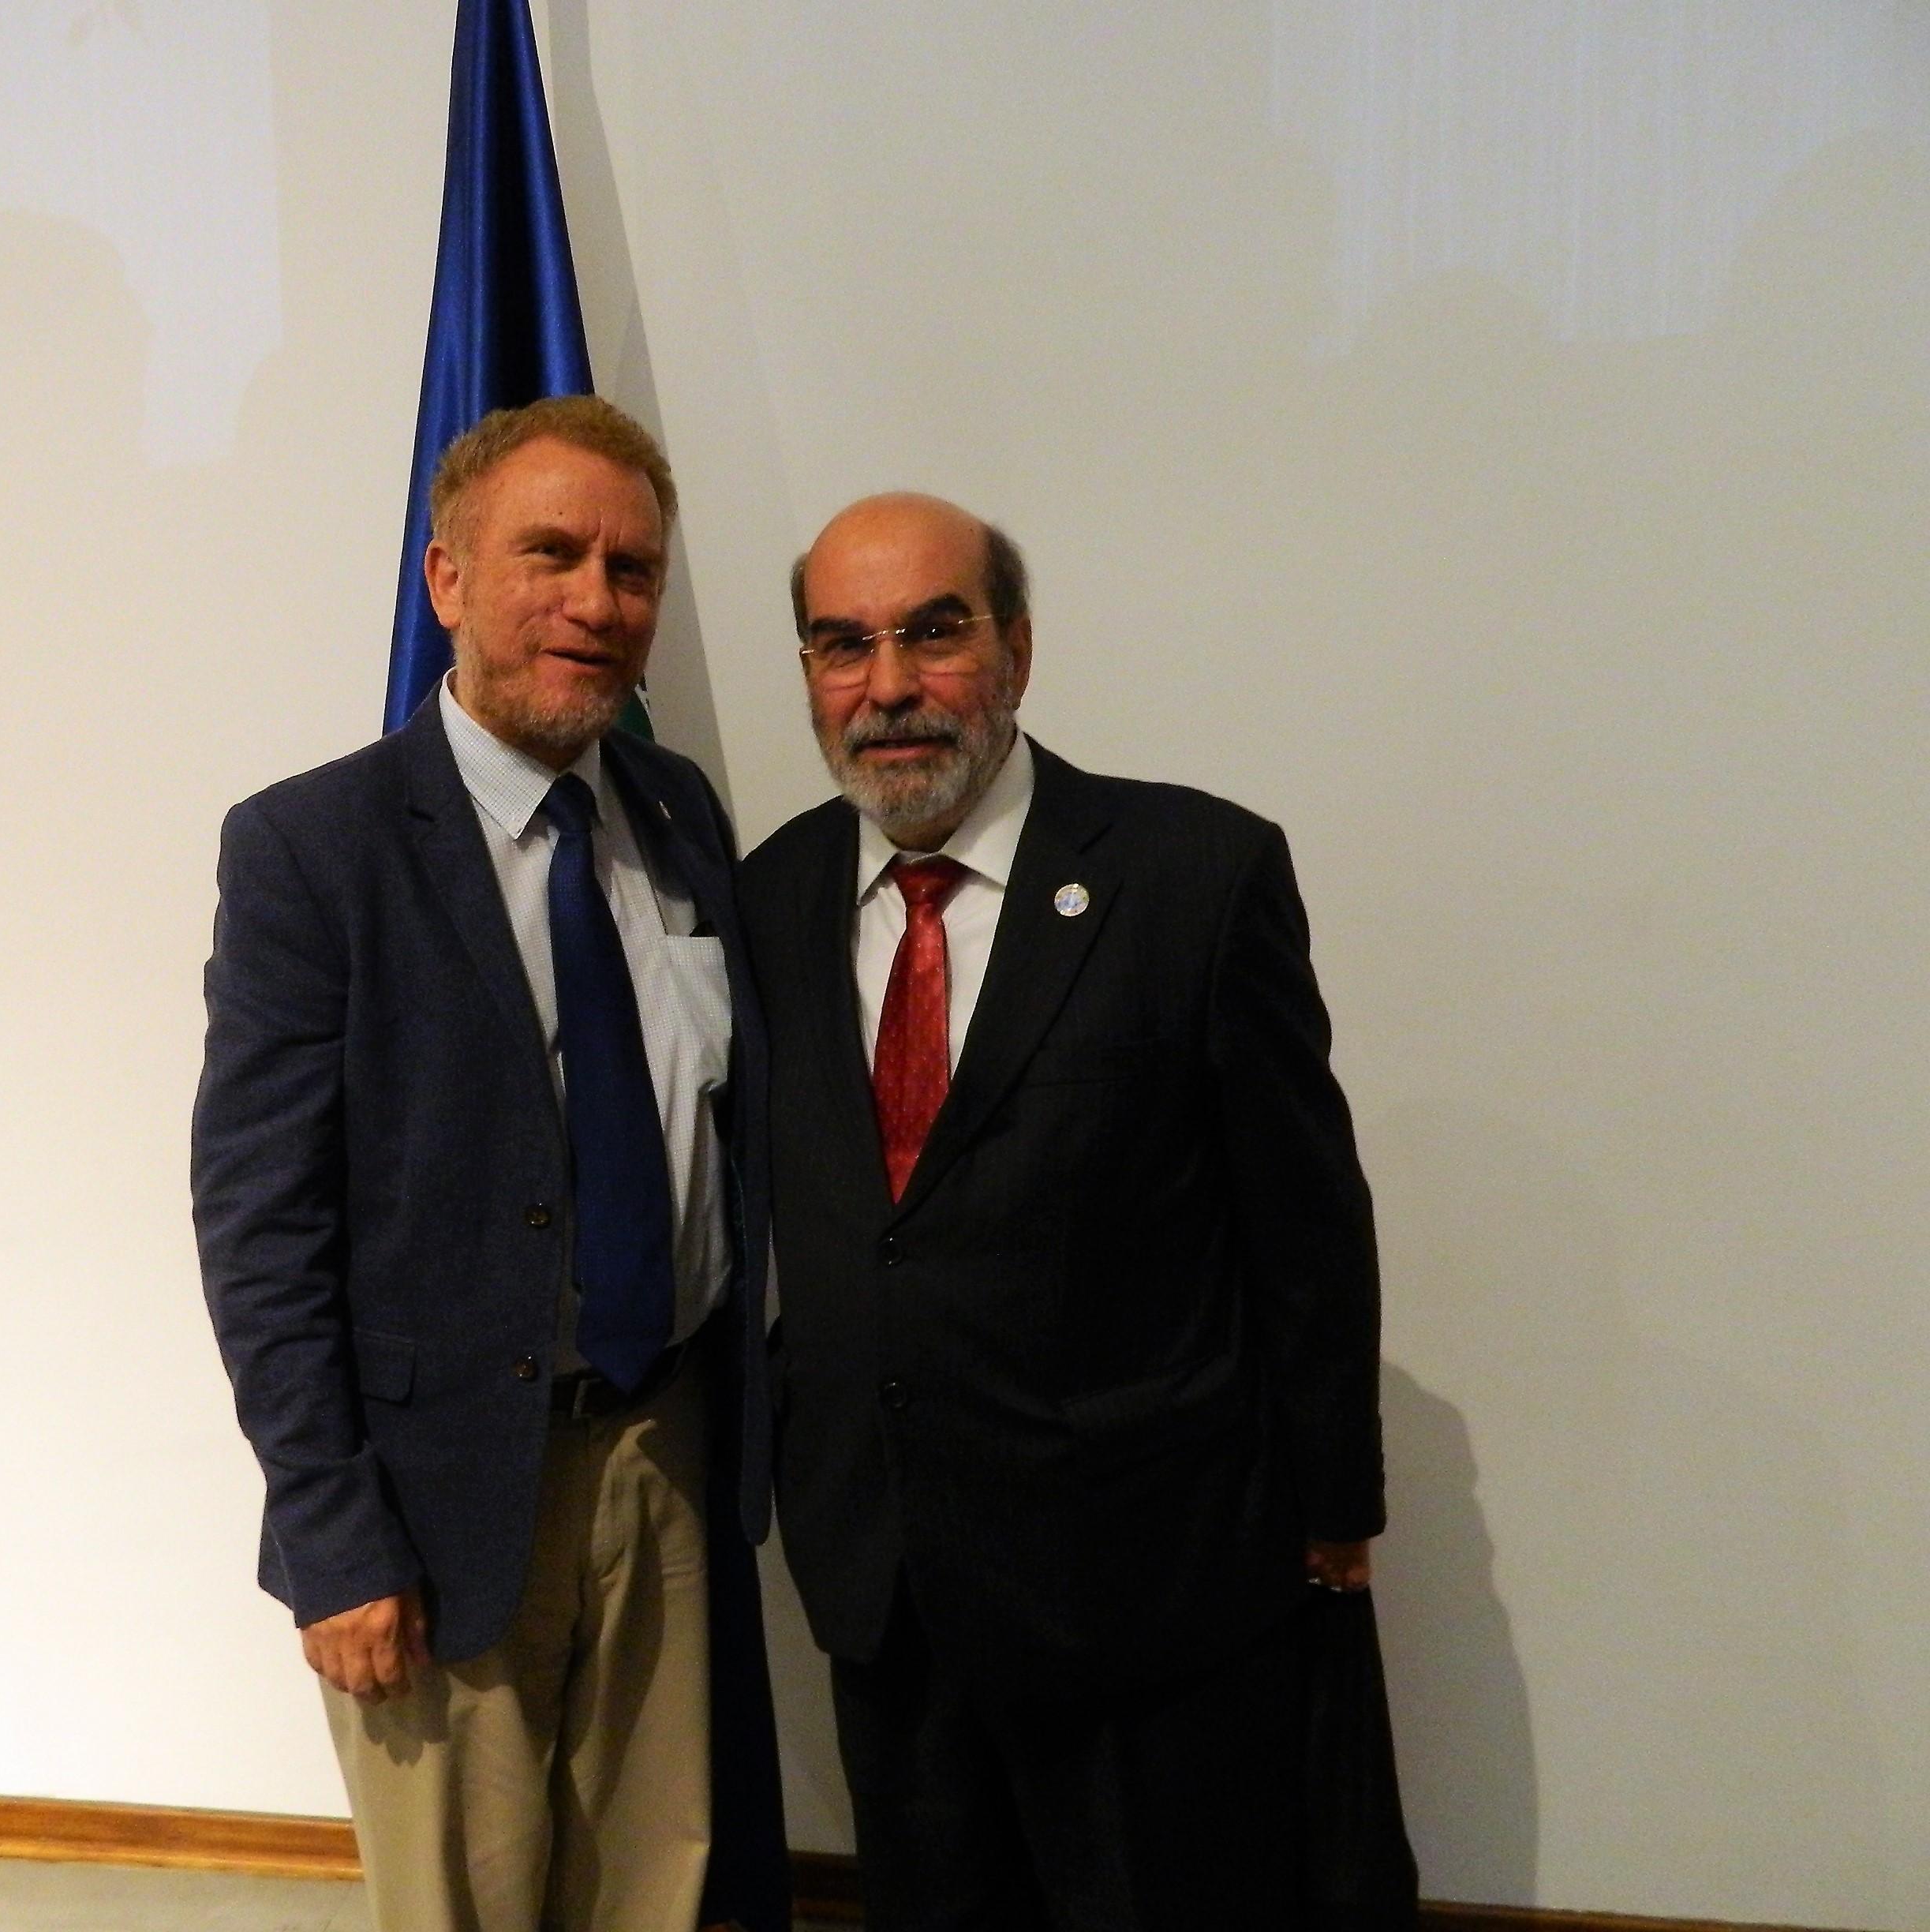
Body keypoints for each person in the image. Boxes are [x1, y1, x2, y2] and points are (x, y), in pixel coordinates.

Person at [739, 492, 1397, 1930]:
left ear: (1019, 650)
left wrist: (1333, 1493)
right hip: (888, 1587)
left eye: (934, 632)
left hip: (1145, 1591)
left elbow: (1303, 1215)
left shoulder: (1194, 876)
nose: (890, 686)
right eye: (842, 645)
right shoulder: (769, 897)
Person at [190, 396, 786, 1932]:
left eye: (634, 569)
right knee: (469, 1906)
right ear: (448, 578)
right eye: (553, 554)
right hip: (434, 1500)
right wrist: (331, 1536)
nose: (598, 601)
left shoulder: (676, 817)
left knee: (657, 1889)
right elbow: (260, 1222)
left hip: (664, 1455)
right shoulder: (315, 849)